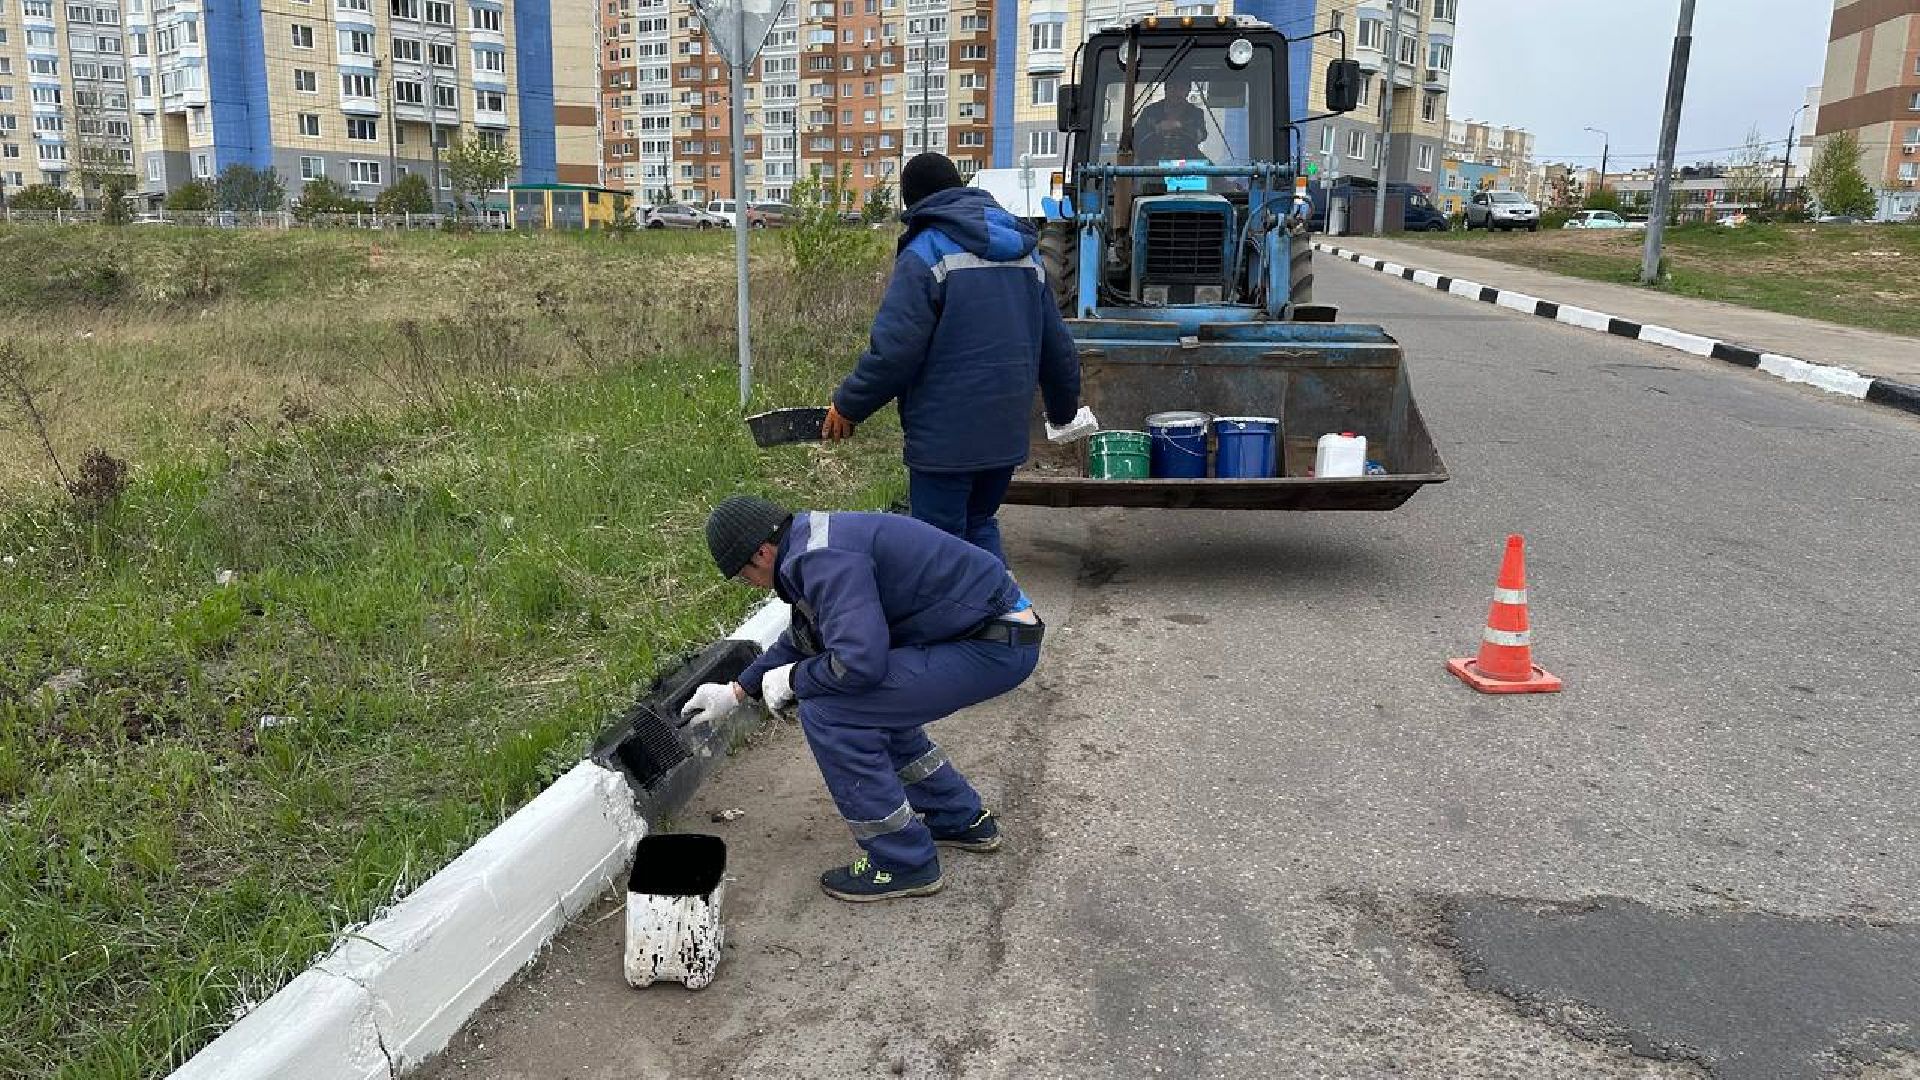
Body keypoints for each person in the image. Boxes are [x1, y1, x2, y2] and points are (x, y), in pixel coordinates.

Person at [681, 495, 1044, 902]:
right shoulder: (813, 543)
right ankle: (957, 817)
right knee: (871, 705)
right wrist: (737, 690)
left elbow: (858, 664)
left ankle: (902, 863)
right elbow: (804, 636)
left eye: (744, 575)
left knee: (830, 710)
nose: (750, 584)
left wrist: (795, 680)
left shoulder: (821, 560)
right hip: (988, 632)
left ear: (762, 553)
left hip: (994, 644)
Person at [820, 151, 1080, 566]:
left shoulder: (927, 252)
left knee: (938, 550)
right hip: (1004, 435)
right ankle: (1007, 619)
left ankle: (959, 628)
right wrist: (1063, 410)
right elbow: (1058, 347)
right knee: (979, 524)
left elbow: (894, 351)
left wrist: (849, 405)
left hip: (945, 443)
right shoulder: (1026, 254)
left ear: (913, 202)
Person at [1133, 75, 1207, 162]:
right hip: (1151, 164)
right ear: (1166, 89)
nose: (1176, 92)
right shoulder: (1150, 112)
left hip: (1187, 166)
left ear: (1187, 92)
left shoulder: (1195, 113)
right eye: (1173, 87)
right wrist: (1157, 128)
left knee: (1213, 171)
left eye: (1181, 89)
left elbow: (1201, 135)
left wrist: (1180, 126)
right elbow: (1136, 136)